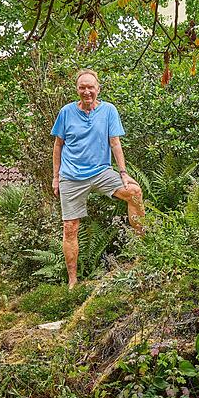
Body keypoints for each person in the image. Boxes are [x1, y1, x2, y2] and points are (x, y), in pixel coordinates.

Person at [51, 68, 144, 289]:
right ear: (77, 89)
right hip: (71, 177)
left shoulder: (109, 111)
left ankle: (143, 254)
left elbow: (115, 143)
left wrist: (123, 173)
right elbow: (58, 146)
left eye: (90, 87)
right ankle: (73, 281)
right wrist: (55, 178)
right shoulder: (66, 112)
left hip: (101, 172)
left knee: (135, 192)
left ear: (98, 89)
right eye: (82, 87)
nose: (86, 91)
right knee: (70, 227)